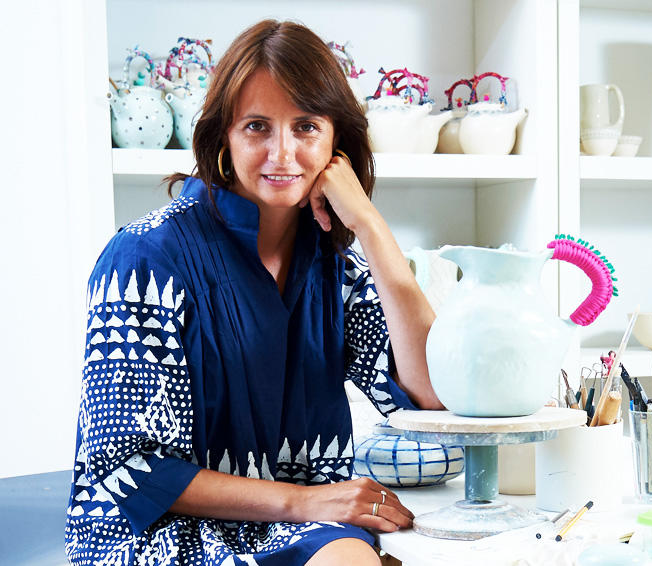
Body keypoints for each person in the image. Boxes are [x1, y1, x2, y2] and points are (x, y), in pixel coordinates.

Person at [65, 19, 444, 566]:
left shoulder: (337, 266)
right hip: (157, 532)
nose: (283, 153)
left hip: (297, 526)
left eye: (306, 127)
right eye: (257, 127)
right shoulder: (144, 259)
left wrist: (369, 225)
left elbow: (432, 391)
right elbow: (128, 468)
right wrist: (303, 501)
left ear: (337, 141)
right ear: (224, 135)